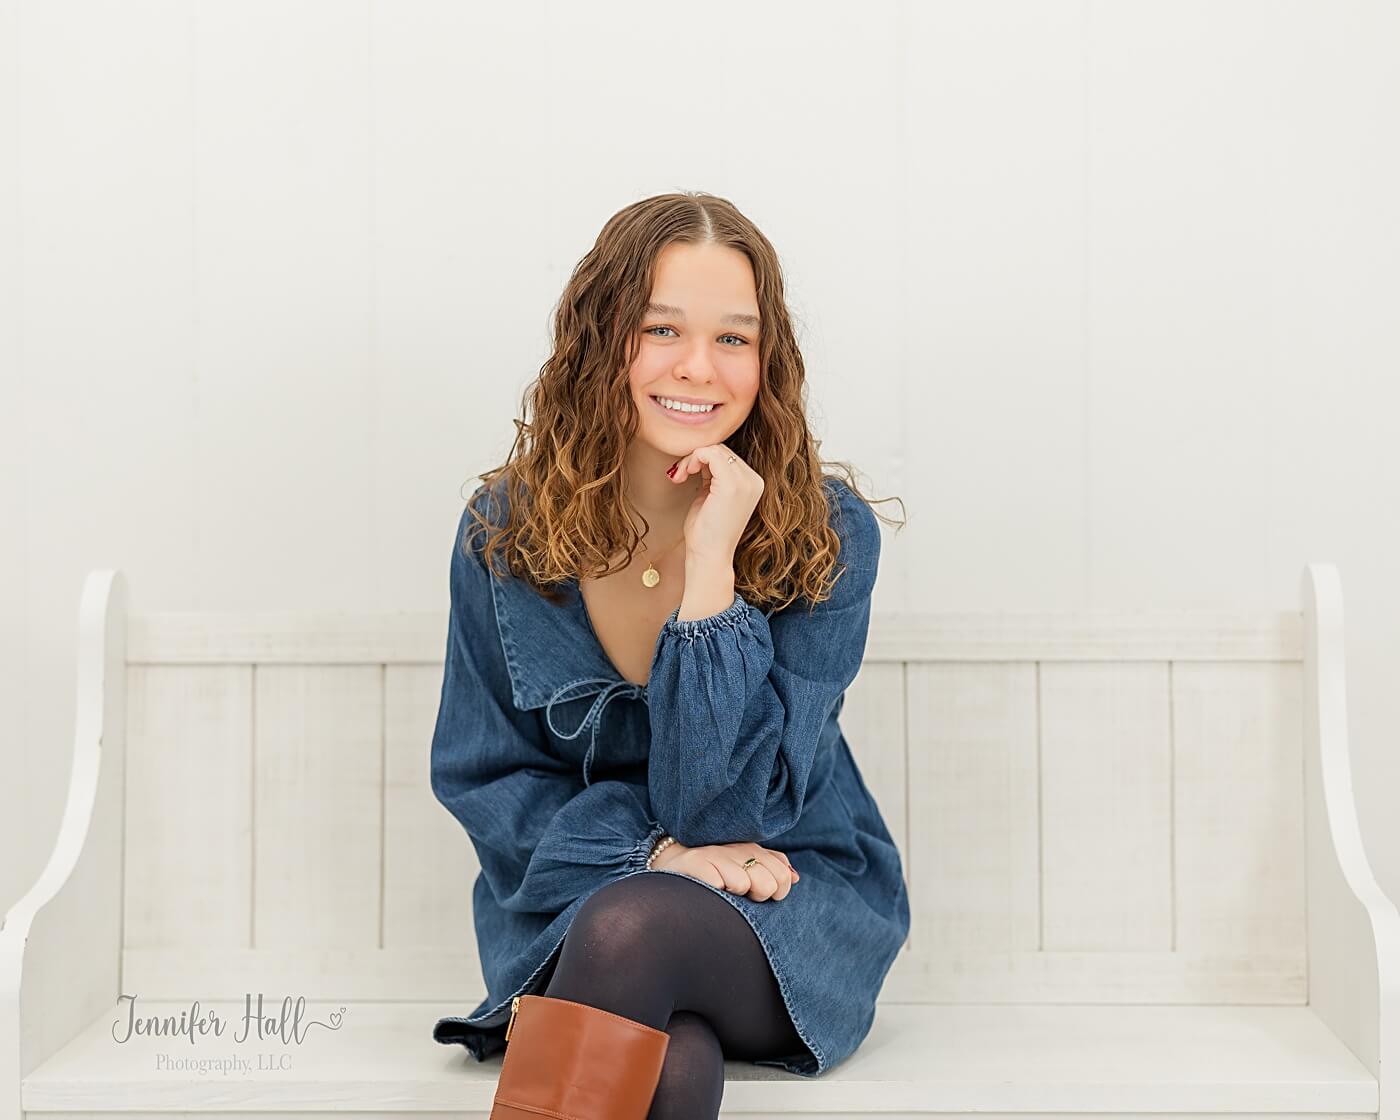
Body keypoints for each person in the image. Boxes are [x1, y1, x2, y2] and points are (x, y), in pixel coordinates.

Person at [430, 191, 910, 1119]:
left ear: (768, 362)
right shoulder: (505, 533)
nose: (700, 367)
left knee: (633, 929)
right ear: (601, 338)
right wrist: (651, 852)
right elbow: (484, 779)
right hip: (571, 903)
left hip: (787, 905)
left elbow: (738, 811)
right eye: (662, 329)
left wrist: (712, 576)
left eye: (735, 338)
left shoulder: (829, 536)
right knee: (671, 1064)